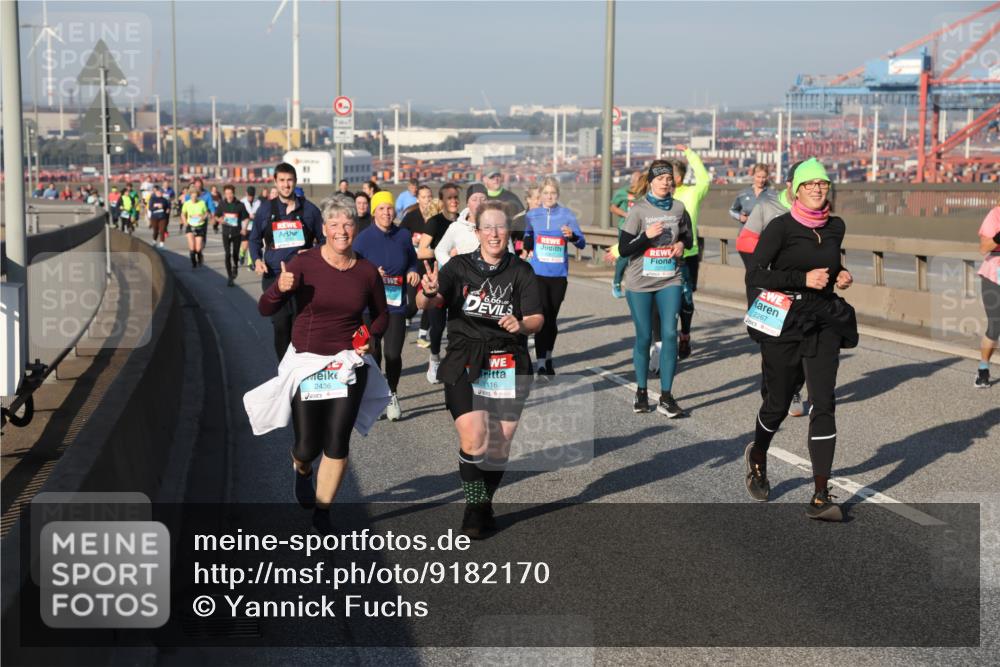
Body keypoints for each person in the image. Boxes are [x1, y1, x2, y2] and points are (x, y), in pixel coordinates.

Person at [256, 198, 389, 534]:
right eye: (334, 224)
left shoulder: (366, 271)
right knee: (307, 446)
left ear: (355, 228)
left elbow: (381, 315)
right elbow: (265, 309)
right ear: (324, 229)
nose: (341, 231)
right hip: (308, 362)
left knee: (337, 441)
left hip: (347, 363)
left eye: (348, 224)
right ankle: (302, 468)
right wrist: (278, 289)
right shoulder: (304, 263)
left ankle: (323, 510)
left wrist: (371, 338)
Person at [416, 201, 544, 538]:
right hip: (465, 359)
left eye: (500, 227)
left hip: (509, 360)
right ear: (477, 232)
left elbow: (537, 318)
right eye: (488, 227)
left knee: (499, 445)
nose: (494, 234)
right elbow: (428, 301)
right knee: (474, 438)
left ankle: (483, 503)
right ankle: (475, 508)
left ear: (508, 231)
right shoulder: (458, 267)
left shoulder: (521, 271)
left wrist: (522, 324)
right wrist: (428, 293)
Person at [743, 157, 857, 521]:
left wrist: (840, 275)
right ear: (795, 190)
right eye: (809, 184)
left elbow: (830, 263)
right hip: (786, 321)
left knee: (823, 402)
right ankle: (758, 454)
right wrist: (802, 280)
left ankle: (821, 495)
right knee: (778, 402)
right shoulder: (780, 228)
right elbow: (755, 275)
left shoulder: (836, 226)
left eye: (822, 183)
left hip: (823, 320)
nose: (817, 189)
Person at [619, 160, 692, 418]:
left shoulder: (678, 208)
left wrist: (681, 245)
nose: (665, 183)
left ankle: (666, 396)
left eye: (669, 179)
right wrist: (646, 236)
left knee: (670, 334)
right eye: (660, 178)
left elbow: (688, 237)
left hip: (669, 278)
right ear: (651, 182)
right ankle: (641, 391)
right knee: (643, 336)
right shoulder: (638, 210)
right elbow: (624, 249)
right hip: (640, 281)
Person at [737, 161, 810, 417]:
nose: (811, 190)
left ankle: (794, 389)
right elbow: (745, 242)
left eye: (816, 184)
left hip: (803, 287)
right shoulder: (767, 205)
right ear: (790, 184)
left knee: (802, 343)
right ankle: (771, 392)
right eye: (804, 185)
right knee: (772, 345)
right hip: (769, 288)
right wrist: (767, 269)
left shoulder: (816, 210)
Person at [352, 190, 420, 421]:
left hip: (395, 304)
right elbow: (352, 267)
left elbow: (412, 260)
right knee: (374, 353)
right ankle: (376, 394)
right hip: (369, 306)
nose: (386, 212)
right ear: (374, 212)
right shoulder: (363, 238)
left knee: (393, 354)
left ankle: (392, 393)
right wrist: (371, 274)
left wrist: (412, 271)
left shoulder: (403, 235)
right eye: (381, 208)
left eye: (389, 208)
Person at [249, 162, 325, 360]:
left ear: (295, 181)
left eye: (289, 180)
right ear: (275, 182)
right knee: (281, 325)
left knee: (300, 327)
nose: (286, 185)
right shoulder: (265, 210)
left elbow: (324, 241)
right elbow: (254, 239)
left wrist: (313, 251)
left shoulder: (310, 210)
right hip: (274, 277)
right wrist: (257, 260)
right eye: (282, 180)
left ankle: (300, 367)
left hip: (304, 279)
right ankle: (284, 369)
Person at [522, 176, 585, 376]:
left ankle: (548, 357)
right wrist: (528, 242)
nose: (549, 196)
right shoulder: (532, 215)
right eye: (546, 193)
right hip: (537, 275)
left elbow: (582, 242)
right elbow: (527, 235)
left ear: (558, 194)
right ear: (540, 195)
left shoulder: (567, 215)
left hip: (558, 276)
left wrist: (572, 236)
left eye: (553, 193)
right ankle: (541, 363)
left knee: (551, 319)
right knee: (542, 316)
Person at [419, 183, 462, 383]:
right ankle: (434, 358)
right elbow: (421, 251)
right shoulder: (435, 222)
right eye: (449, 198)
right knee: (437, 326)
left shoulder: (463, 222)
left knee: (459, 325)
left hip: (459, 281)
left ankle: (456, 363)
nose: (453, 201)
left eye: (456, 197)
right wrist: (444, 251)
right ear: (442, 200)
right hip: (438, 280)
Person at [671, 145, 711, 360]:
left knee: (686, 299)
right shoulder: (659, 196)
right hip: (664, 256)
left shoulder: (692, 193)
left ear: (678, 178)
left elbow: (704, 180)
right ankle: (664, 338)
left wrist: (690, 153)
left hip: (688, 255)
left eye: (669, 175)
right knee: (666, 299)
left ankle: (684, 335)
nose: (665, 180)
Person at [401, 185, 436, 346]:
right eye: (423, 197)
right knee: (414, 304)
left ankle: (422, 336)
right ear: (418, 199)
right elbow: (399, 235)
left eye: (429, 196)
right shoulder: (411, 216)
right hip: (413, 265)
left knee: (429, 299)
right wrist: (411, 240)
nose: (427, 200)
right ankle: (401, 317)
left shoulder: (437, 216)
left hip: (430, 265)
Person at [975, 205, 1000, 388]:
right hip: (995, 275)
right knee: (995, 326)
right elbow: (984, 248)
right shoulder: (995, 214)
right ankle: (983, 369)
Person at [610, 171, 642, 298]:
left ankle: (638, 285)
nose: (640, 181)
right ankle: (616, 282)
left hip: (641, 228)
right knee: (625, 255)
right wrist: (626, 214)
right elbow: (612, 208)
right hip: (625, 228)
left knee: (640, 255)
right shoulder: (623, 192)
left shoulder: (645, 192)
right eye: (638, 179)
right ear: (632, 180)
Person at [215, 184, 251, 286]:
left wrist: (244, 228)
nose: (229, 195)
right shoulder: (222, 204)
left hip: (236, 233)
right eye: (227, 193)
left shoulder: (240, 205)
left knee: (235, 254)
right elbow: (216, 216)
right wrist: (220, 220)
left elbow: (246, 218)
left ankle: (235, 266)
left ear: (233, 193)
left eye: (230, 193)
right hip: (226, 233)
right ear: (224, 194)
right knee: (227, 254)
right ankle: (230, 276)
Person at [180, 184, 210, 267]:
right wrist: (185, 222)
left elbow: (206, 213)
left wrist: (203, 217)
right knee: (192, 248)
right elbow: (183, 213)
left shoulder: (202, 203)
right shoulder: (187, 203)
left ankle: (200, 257)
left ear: (198, 195)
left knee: (198, 248)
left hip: (200, 226)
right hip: (190, 226)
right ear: (190, 195)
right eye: (192, 196)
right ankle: (193, 263)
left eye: (195, 196)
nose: (194, 198)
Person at [511, 184, 540, 257]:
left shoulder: (550, 220)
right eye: (537, 198)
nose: (540, 202)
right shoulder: (518, 220)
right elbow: (510, 243)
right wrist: (525, 247)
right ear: (528, 199)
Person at [240, 186, 262, 269]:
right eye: (249, 196)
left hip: (254, 227)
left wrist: (255, 216)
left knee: (251, 245)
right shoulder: (242, 202)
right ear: (246, 194)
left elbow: (260, 214)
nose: (250, 198)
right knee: (245, 245)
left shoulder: (258, 202)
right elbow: (239, 214)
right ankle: (242, 254)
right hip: (244, 227)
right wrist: (248, 216)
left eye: (252, 196)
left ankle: (250, 263)